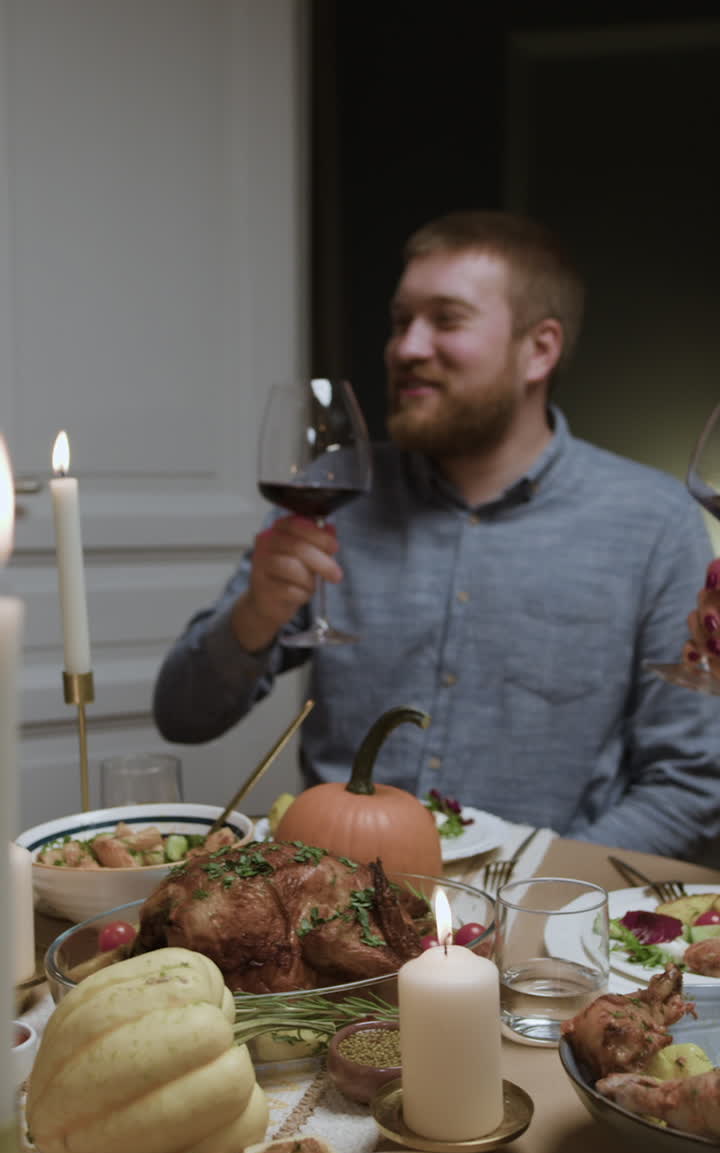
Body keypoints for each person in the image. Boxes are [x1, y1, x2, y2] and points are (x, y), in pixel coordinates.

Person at [153, 209, 720, 861]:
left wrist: (529, 888)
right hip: (341, 896)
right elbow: (183, 716)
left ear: (539, 350)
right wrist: (255, 613)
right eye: (401, 322)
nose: (406, 348)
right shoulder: (336, 498)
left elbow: (690, 787)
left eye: (446, 320)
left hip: (544, 909)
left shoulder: (653, 522)